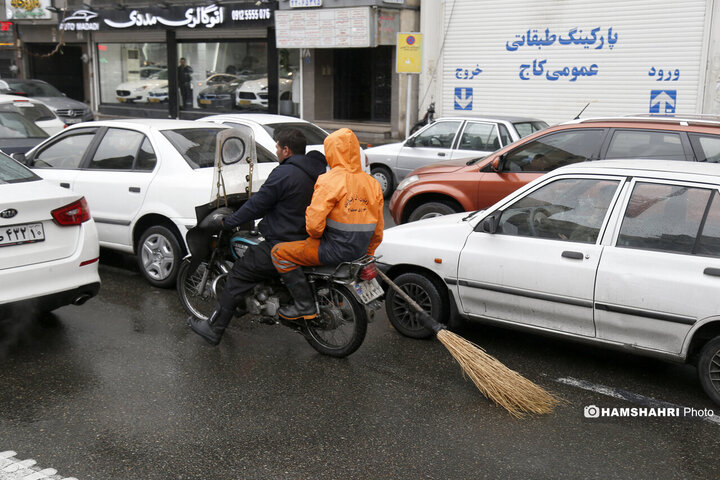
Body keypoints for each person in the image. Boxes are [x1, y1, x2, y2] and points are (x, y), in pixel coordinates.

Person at [187, 129, 327, 345]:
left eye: (278, 147)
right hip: (309, 240)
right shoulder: (316, 171)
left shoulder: (284, 173)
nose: (276, 151)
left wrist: (229, 221)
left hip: (282, 241)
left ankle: (213, 329)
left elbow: (258, 204)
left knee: (238, 275)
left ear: (287, 150)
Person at [270, 128, 384, 321]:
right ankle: (334, 300)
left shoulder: (329, 180)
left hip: (333, 250)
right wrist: (369, 253)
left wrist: (314, 239)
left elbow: (314, 226)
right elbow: (378, 230)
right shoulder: (372, 183)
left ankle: (304, 306)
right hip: (360, 252)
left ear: (331, 151)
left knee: (278, 253)